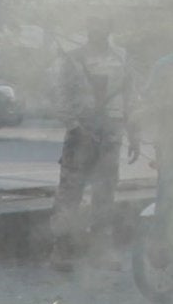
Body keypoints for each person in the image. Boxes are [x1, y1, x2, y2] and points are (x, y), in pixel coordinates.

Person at [52, 15, 130, 250]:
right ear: (87, 28)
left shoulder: (121, 58)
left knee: (105, 192)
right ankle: (62, 247)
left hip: (110, 134)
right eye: (92, 24)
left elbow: (129, 95)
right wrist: (74, 126)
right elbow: (60, 95)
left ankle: (100, 248)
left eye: (102, 24)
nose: (96, 29)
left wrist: (133, 134)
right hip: (81, 133)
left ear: (110, 28)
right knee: (70, 191)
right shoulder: (73, 59)